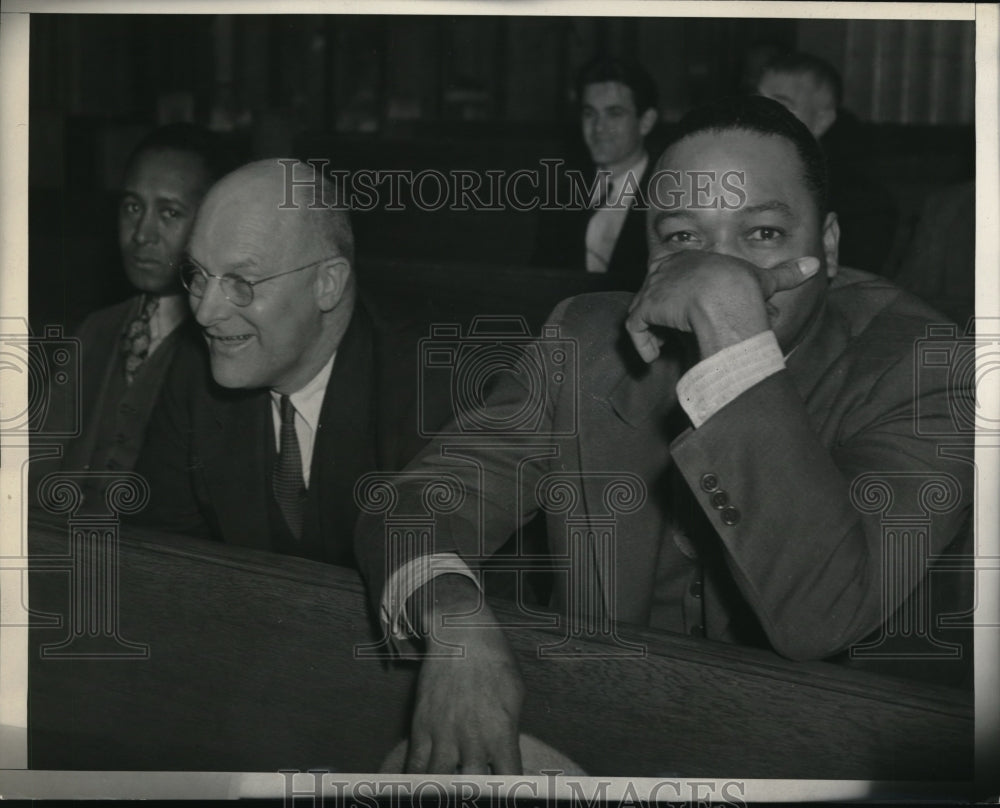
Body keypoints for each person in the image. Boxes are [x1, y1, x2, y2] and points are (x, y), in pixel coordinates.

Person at [354, 95, 973, 773]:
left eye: (761, 233)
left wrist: (732, 340)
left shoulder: (928, 369)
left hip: (819, 756)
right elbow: (415, 504)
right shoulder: (586, 341)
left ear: (826, 245)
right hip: (602, 739)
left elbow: (823, 612)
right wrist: (454, 618)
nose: (721, 270)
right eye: (683, 239)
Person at [133, 159, 444, 565]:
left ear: (327, 284)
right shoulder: (195, 368)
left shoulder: (429, 394)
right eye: (198, 275)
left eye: (241, 283)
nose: (206, 314)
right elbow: (161, 560)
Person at [47, 123, 224, 486]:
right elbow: (37, 463)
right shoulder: (95, 331)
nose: (142, 234)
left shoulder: (224, 346)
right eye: (132, 207)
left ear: (213, 222)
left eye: (170, 213)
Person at [755, 51, 899, 273]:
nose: (758, 113)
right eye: (757, 99)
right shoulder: (730, 176)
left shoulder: (860, 203)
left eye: (780, 104)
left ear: (821, 121)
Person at [532, 56, 659, 291]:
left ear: (646, 122)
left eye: (614, 113)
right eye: (590, 113)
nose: (599, 128)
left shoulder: (668, 193)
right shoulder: (563, 192)